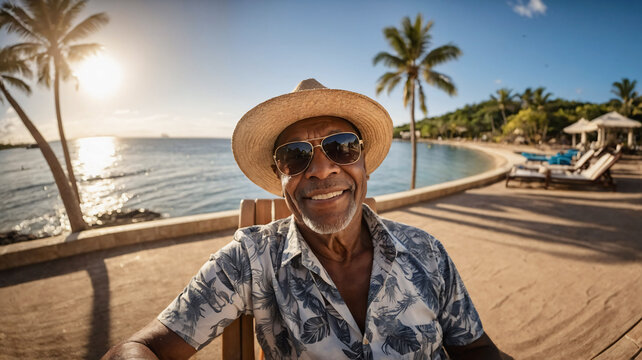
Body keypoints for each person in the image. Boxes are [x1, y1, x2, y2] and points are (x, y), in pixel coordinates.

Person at [103, 79, 501, 359]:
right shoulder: (251, 260)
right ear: (281, 178)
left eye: (341, 147)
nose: (322, 170)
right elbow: (140, 348)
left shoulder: (426, 253)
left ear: (364, 162)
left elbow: (477, 350)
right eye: (296, 156)